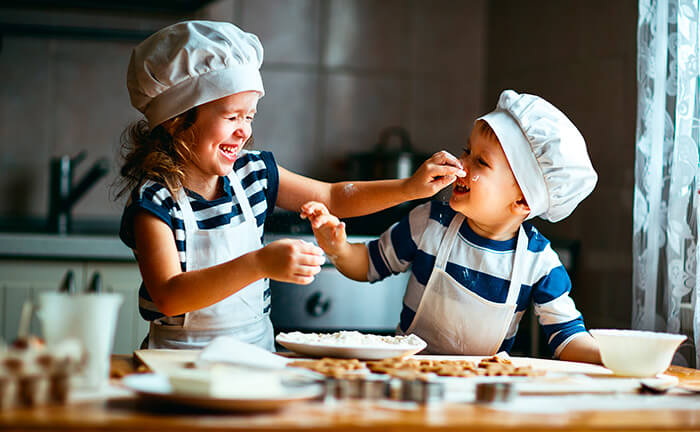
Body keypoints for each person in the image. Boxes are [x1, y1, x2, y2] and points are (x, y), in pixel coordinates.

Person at [116, 20, 465, 351]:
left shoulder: (254, 173)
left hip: (254, 359)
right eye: (232, 116)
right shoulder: (155, 200)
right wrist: (258, 264)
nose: (244, 131)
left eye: (249, 116)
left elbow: (333, 196)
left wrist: (409, 188)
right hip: (174, 366)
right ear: (178, 121)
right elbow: (168, 295)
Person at [301, 90, 602, 364]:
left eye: (480, 162)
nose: (461, 164)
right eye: (466, 150)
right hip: (407, 380)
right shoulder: (430, 222)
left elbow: (568, 338)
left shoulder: (539, 263)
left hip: (481, 393)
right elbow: (367, 265)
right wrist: (338, 248)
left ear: (523, 200)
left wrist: (612, 357)